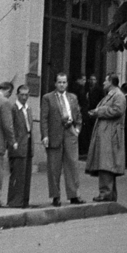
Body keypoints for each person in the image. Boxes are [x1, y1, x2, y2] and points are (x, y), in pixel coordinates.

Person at [41, 73, 85, 206]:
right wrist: (45, 135)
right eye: (59, 82)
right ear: (55, 83)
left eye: (64, 82)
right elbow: (44, 118)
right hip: (55, 134)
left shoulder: (72, 98)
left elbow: (78, 115)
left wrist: (77, 130)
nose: (62, 85)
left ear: (67, 84)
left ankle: (73, 195)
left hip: (70, 133)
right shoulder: (48, 98)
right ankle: (55, 196)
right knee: (54, 167)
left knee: (72, 165)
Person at [86, 75, 127, 202]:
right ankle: (110, 194)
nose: (103, 82)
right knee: (106, 164)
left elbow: (117, 110)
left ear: (111, 82)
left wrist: (99, 111)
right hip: (106, 134)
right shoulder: (110, 95)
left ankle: (105, 193)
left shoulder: (118, 95)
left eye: (105, 80)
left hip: (110, 135)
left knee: (106, 164)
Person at [6, 82, 35, 207]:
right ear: (17, 95)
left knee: (26, 174)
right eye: (22, 95)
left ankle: (24, 200)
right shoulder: (13, 109)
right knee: (17, 174)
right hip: (18, 145)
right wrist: (13, 142)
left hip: (27, 144)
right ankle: (15, 201)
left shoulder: (28, 109)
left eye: (26, 95)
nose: (24, 97)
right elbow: (10, 127)